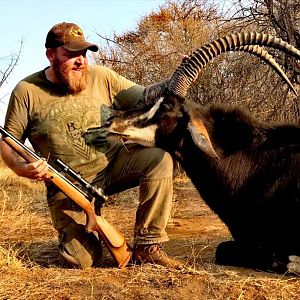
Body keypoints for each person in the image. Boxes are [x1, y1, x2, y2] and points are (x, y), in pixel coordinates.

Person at [0, 22, 184, 269]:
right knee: (81, 261)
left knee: (159, 159)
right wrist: (22, 169)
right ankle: (89, 230)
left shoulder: (102, 77)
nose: (81, 61)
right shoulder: (27, 91)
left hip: (114, 165)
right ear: (51, 55)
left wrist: (180, 75)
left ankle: (148, 245)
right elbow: (9, 143)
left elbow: (147, 97)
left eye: (84, 54)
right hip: (68, 187)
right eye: (71, 54)